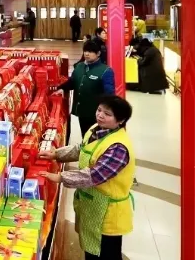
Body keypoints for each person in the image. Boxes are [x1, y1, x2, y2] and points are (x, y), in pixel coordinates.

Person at [38, 96, 135, 260]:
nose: (100, 115)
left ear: (121, 120)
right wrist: (56, 154)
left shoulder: (118, 147)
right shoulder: (96, 129)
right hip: (93, 205)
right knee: (91, 249)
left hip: (108, 212)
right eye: (99, 110)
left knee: (106, 253)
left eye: (107, 114)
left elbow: (94, 175)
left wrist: (61, 177)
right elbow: (81, 149)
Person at [59, 39, 115, 136]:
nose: (86, 54)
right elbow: (72, 82)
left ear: (98, 53)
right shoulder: (79, 66)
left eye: (90, 51)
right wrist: (60, 88)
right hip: (81, 111)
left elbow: (109, 94)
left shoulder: (106, 71)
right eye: (85, 51)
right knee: (85, 135)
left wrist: (105, 113)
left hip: (96, 114)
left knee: (95, 137)